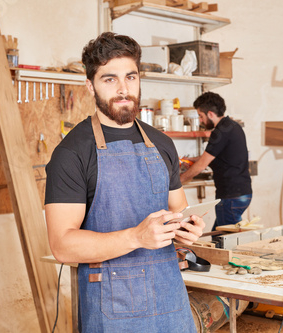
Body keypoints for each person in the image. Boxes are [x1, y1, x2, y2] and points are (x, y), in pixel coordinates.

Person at [44, 32, 204, 333]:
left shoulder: (162, 144)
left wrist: (188, 231)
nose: (123, 89)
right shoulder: (72, 152)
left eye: (131, 77)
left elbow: (179, 210)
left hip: (170, 299)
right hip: (112, 308)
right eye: (109, 79)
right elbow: (62, 245)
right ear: (90, 85)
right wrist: (136, 238)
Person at [180, 92, 252, 231]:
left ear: (211, 114)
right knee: (218, 235)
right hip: (242, 193)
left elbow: (202, 165)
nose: (200, 121)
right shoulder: (232, 126)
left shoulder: (220, 132)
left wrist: (178, 182)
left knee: (224, 240)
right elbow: (213, 155)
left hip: (231, 196)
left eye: (201, 116)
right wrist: (190, 159)